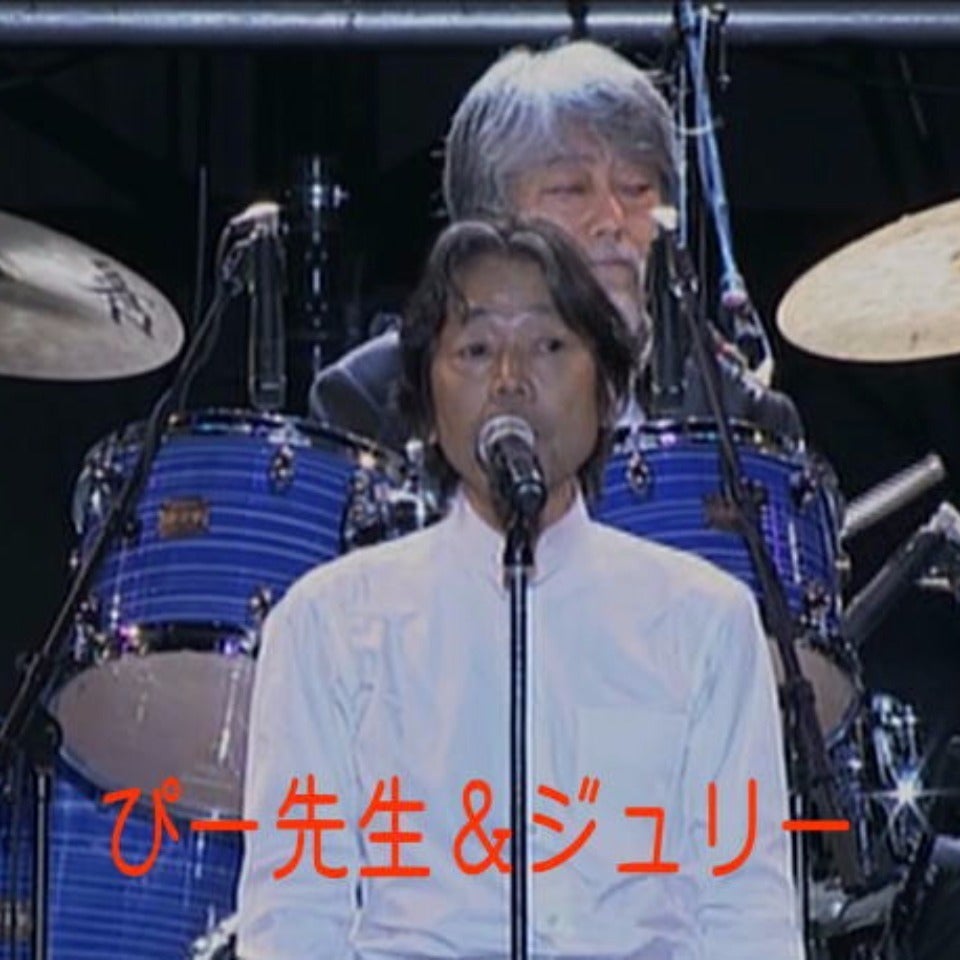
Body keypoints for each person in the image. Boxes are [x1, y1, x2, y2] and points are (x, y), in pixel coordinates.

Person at [236, 217, 803, 960]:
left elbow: (748, 914)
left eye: (549, 345)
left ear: (607, 390)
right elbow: (293, 918)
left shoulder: (705, 619)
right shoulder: (329, 622)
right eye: (475, 350)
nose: (510, 379)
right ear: (427, 399)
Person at [308, 39, 802, 449]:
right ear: (487, 222)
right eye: (570, 189)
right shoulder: (371, 401)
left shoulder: (736, 414)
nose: (612, 220)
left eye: (636, 189)